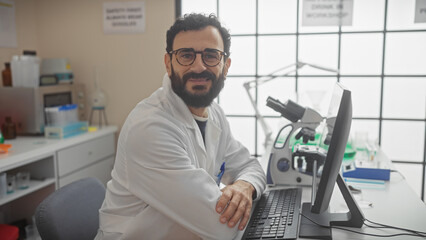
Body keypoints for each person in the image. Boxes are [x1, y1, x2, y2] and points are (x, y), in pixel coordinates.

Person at [95, 13, 266, 240]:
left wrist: (245, 186)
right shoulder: (150, 128)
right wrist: (237, 197)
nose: (198, 66)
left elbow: (251, 166)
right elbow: (221, 227)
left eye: (211, 56)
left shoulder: (214, 114)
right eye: (186, 55)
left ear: (226, 66)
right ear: (168, 63)